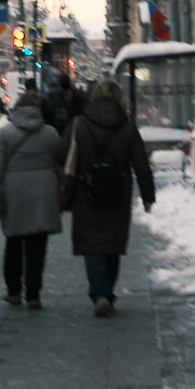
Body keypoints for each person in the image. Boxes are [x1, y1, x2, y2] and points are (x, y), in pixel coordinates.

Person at [62, 76, 155, 318]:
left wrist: (64, 190)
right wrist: (148, 194)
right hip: (118, 194)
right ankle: (108, 292)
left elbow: (63, 156)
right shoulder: (127, 126)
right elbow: (141, 164)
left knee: (92, 244)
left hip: (86, 192)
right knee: (112, 244)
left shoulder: (79, 124)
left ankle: (99, 293)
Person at [0, 82, 64, 309]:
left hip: (13, 191)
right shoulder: (50, 134)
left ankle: (13, 291)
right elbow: (60, 162)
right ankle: (34, 293)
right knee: (37, 244)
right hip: (43, 191)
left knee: (14, 242)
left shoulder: (6, 134)